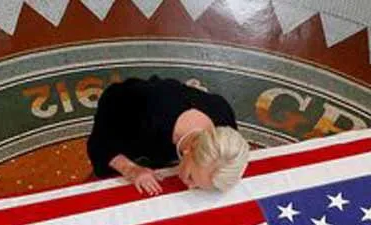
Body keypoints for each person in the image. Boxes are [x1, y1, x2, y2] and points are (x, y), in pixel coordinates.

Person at [87, 76, 250, 195]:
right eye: (191, 177)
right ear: (191, 149)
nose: (190, 188)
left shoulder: (224, 122)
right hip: (125, 110)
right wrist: (131, 169)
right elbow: (99, 146)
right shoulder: (147, 120)